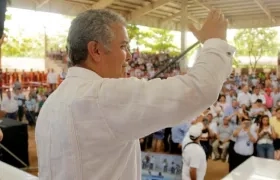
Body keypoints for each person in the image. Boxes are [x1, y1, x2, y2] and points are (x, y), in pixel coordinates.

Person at [35, 9, 233, 180]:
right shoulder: (102, 96)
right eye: (123, 47)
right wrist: (214, 42)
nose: (129, 56)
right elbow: (199, 89)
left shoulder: (52, 104)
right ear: (95, 50)